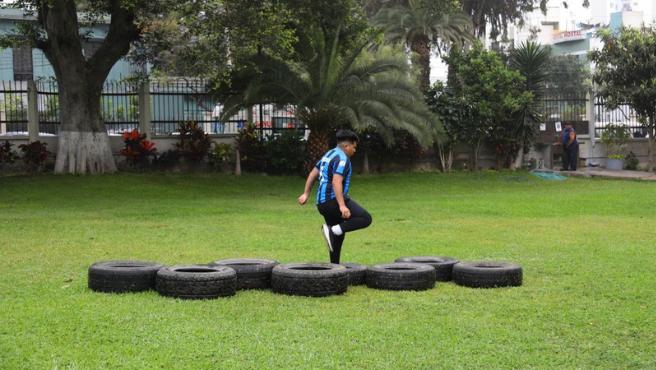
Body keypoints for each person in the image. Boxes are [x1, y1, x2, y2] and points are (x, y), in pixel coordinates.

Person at [297, 129, 372, 264]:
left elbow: (313, 173)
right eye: (354, 148)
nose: (354, 151)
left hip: (322, 204)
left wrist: (306, 193)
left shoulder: (329, 154)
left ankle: (334, 268)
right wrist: (342, 205)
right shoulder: (343, 159)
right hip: (333, 201)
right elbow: (336, 181)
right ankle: (332, 230)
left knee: (338, 235)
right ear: (346, 146)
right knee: (365, 218)